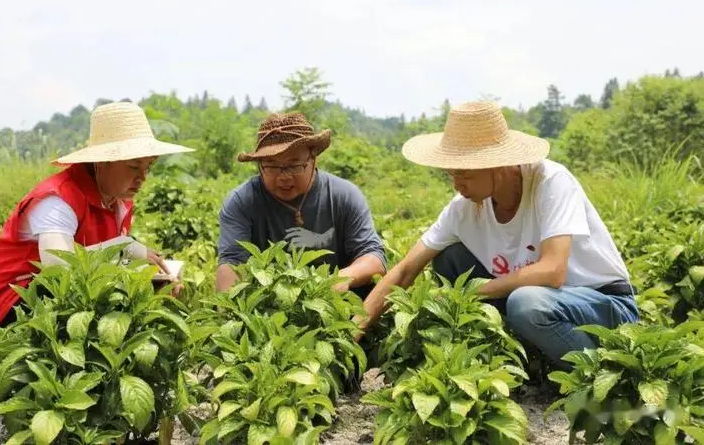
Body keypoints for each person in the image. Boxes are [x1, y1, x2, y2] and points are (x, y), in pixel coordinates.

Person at [354, 100, 638, 369]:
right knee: (450, 259)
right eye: (451, 174)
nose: (457, 185)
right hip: (540, 302)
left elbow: (553, 271)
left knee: (526, 304)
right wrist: (353, 333)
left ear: (497, 165)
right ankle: (524, 357)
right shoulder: (463, 208)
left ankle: (599, 373)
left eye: (464, 173)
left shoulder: (550, 182)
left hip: (602, 304)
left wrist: (470, 292)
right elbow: (405, 270)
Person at [0, 101, 194, 338]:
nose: (142, 177)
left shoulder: (119, 201)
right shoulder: (58, 198)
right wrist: (124, 248)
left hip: (58, 307)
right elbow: (57, 268)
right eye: (134, 167)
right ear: (102, 162)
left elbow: (103, 265)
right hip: (4, 309)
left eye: (148, 167)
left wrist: (152, 279)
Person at [215, 111, 386, 300]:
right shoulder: (241, 202)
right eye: (271, 166)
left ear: (313, 159)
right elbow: (232, 264)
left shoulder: (344, 195)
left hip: (341, 311)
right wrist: (228, 313)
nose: (284, 176)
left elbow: (374, 259)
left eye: (294, 165)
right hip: (270, 315)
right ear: (259, 165)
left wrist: (335, 281)